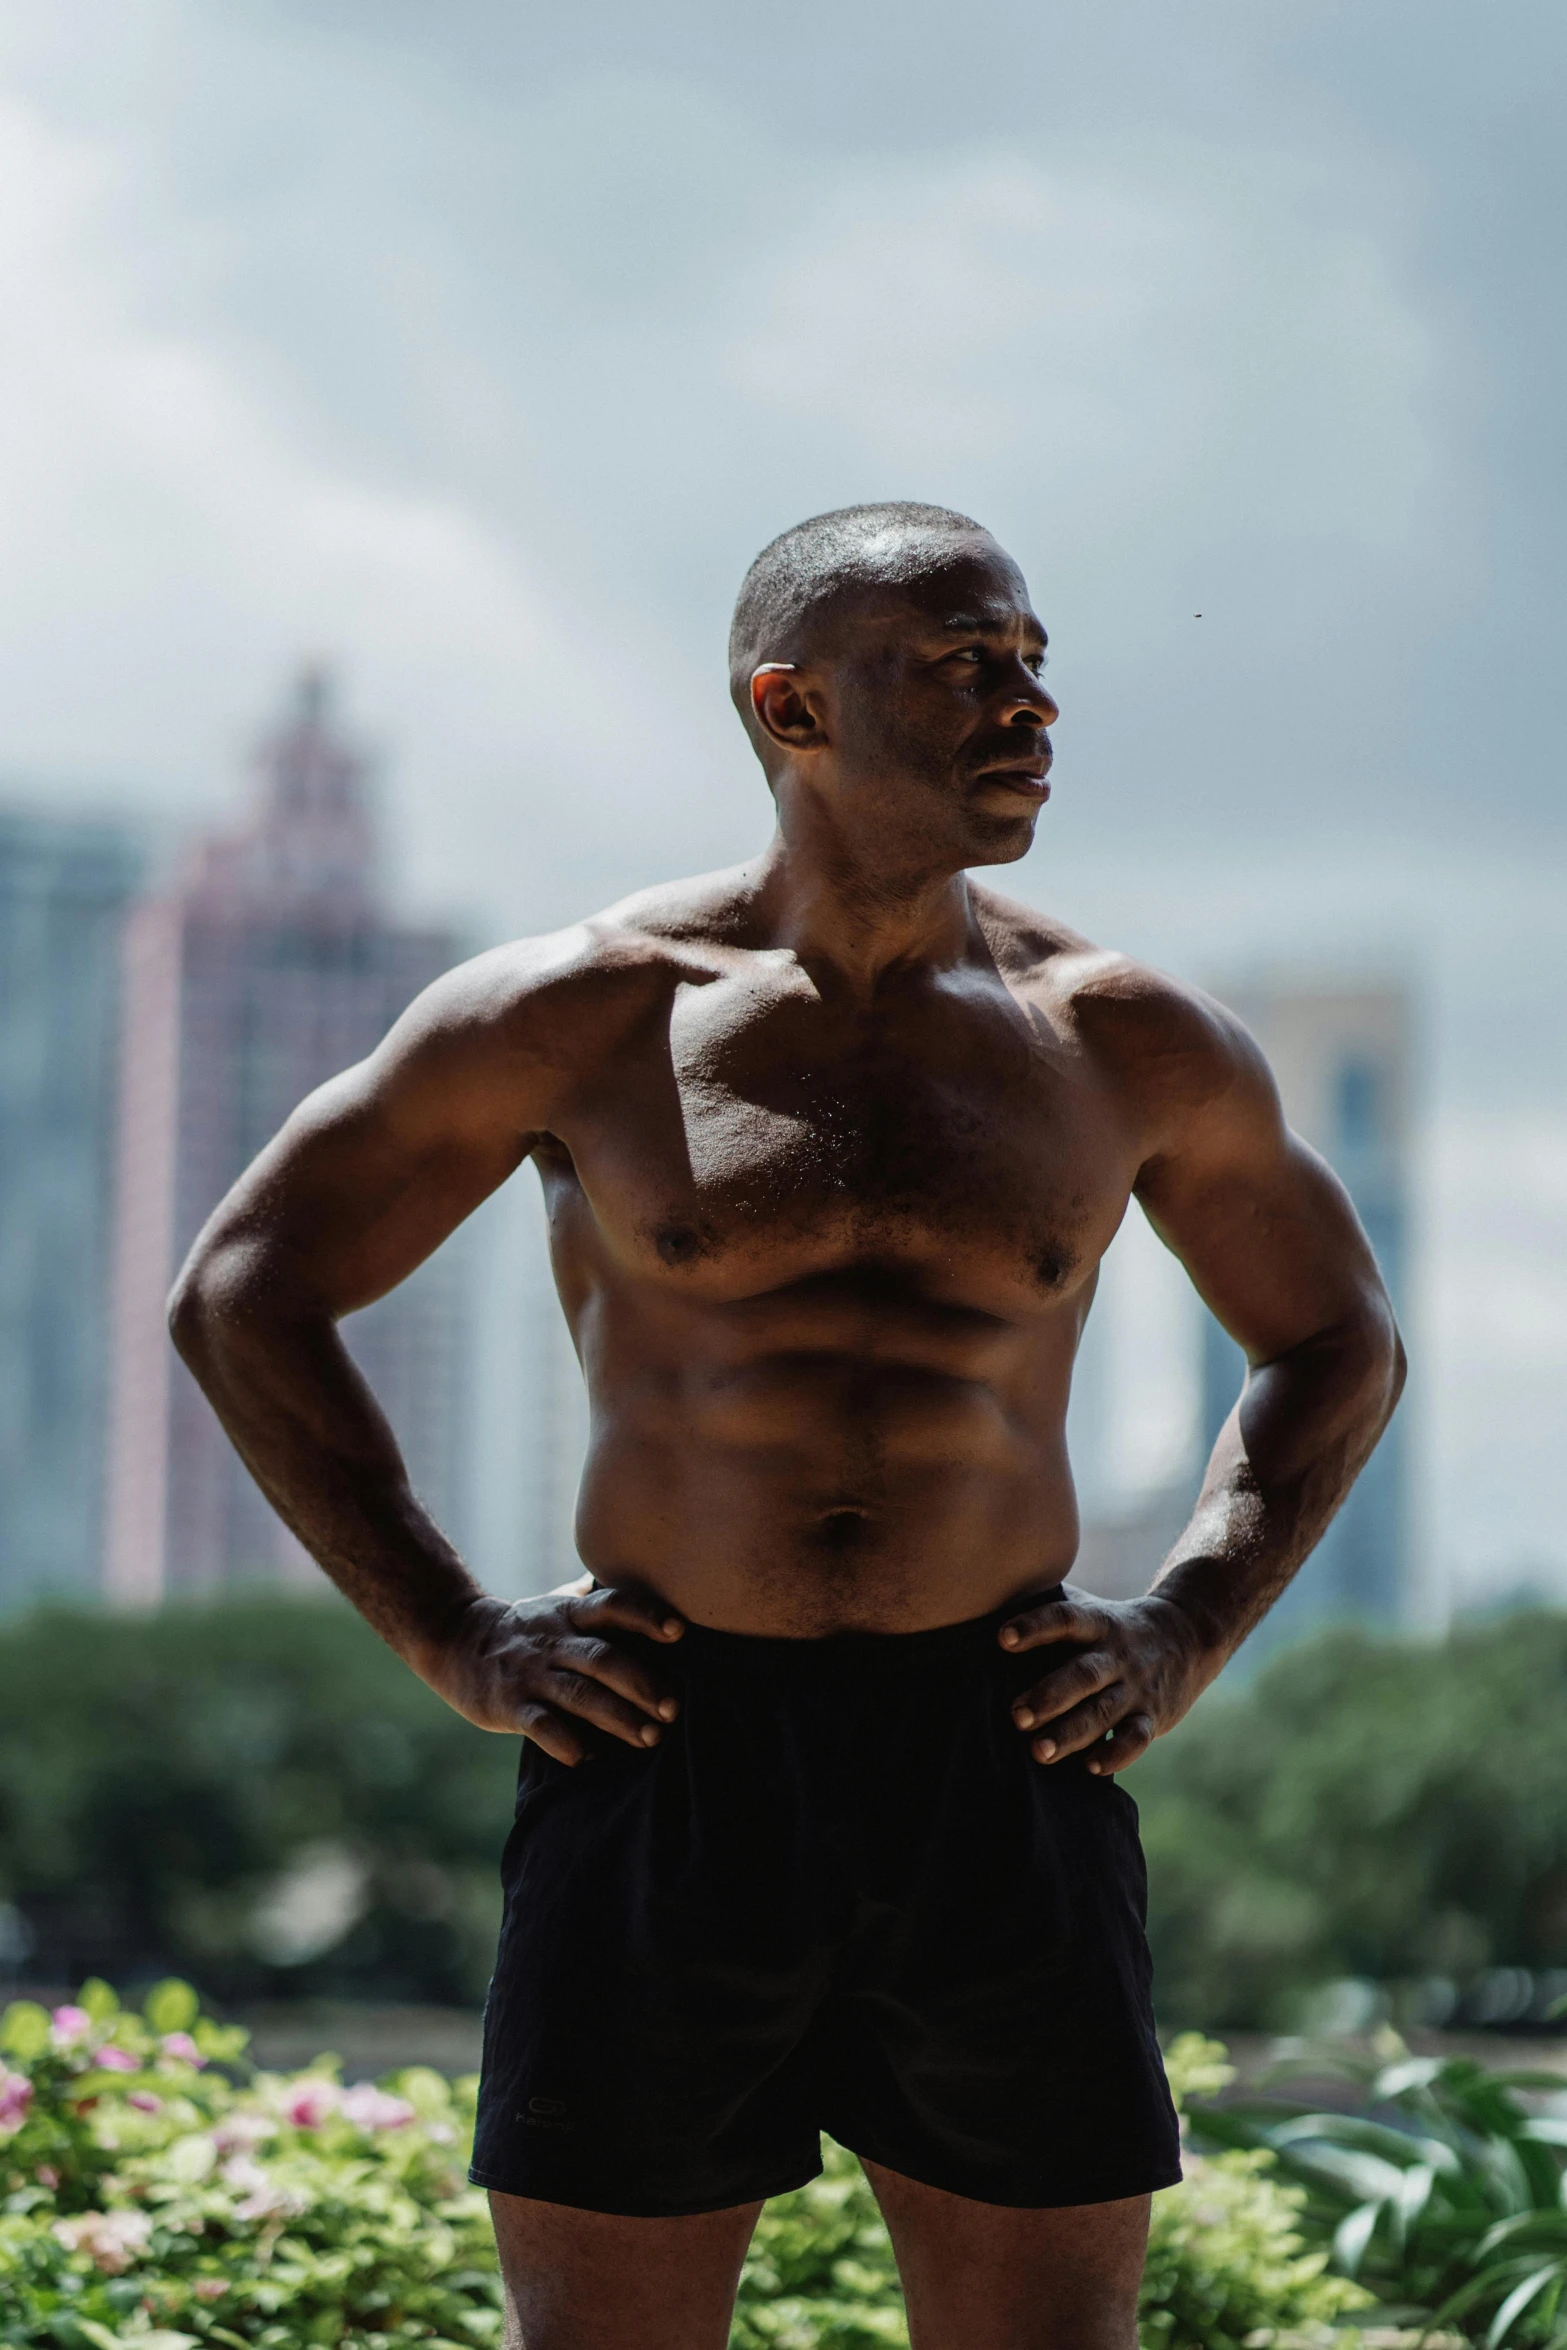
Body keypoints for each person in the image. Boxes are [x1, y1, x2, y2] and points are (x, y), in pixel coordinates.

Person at [171, 502, 1404, 2350]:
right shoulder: (580, 1014)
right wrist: (455, 1632)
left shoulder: (1119, 1036)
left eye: (1035, 662)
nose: (1029, 706)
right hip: (664, 1741)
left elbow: (1333, 1339)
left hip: (1001, 1754)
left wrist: (1181, 1625)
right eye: (965, 662)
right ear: (793, 706)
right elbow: (244, 1289)